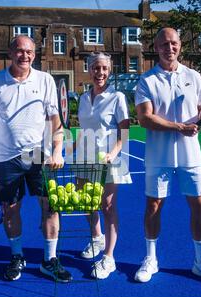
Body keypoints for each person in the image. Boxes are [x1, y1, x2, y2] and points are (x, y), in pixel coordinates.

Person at [133, 27, 201, 287]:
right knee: (154, 206)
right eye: (164, 44)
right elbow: (144, 118)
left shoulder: (194, 76)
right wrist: (180, 127)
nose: (169, 48)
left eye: (173, 43)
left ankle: (200, 262)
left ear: (180, 46)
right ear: (156, 47)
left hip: (191, 154)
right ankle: (151, 259)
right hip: (158, 155)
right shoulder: (146, 80)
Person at [0, 35, 72, 283]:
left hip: (39, 154)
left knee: (50, 206)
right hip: (6, 157)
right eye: (20, 51)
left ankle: (49, 260)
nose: (25, 56)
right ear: (10, 53)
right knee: (11, 210)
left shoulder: (45, 80)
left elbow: (55, 121)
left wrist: (57, 151)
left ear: (35, 54)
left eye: (30, 52)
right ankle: (16, 256)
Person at [76, 52, 132, 279]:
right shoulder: (82, 98)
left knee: (107, 206)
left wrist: (113, 153)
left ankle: (109, 257)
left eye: (104, 69)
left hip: (110, 158)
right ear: (89, 70)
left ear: (109, 71)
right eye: (95, 68)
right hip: (84, 157)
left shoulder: (117, 96)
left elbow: (124, 131)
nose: (100, 73)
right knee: (85, 201)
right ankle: (97, 238)